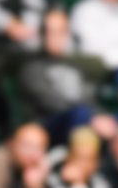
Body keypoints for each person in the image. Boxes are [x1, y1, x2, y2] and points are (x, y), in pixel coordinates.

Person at [15, 8, 110, 143]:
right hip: (47, 127)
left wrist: (102, 116)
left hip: (82, 119)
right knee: (81, 113)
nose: (56, 37)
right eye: (51, 32)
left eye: (61, 31)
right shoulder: (32, 67)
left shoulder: (76, 64)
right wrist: (91, 117)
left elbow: (90, 98)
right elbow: (52, 104)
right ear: (42, 34)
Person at [46, 126, 112, 188]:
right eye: (78, 157)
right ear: (69, 156)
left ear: (96, 163)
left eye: (88, 159)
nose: (82, 164)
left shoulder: (100, 187)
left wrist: (79, 186)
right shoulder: (51, 175)